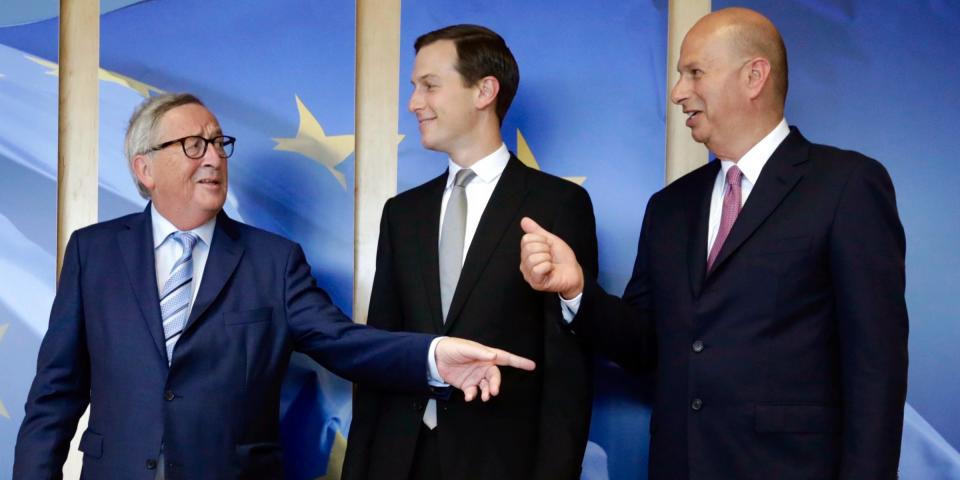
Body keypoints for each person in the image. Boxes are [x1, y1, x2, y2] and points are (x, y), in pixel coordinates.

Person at [13, 92, 535, 480]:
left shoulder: (272, 260)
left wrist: (435, 356)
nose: (214, 157)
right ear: (144, 167)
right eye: (194, 145)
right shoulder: (92, 252)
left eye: (219, 143)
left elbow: (344, 343)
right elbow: (55, 393)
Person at [519, 7, 908, 480]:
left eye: (695, 73)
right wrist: (576, 290)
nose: (679, 92)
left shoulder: (846, 185)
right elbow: (646, 346)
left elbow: (876, 368)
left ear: (754, 76)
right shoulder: (669, 207)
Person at [343, 25, 598, 480]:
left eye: (429, 86)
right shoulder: (402, 213)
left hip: (501, 464)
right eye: (413, 87)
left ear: (484, 90)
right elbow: (380, 352)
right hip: (399, 460)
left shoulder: (557, 205)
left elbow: (568, 371)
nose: (414, 103)